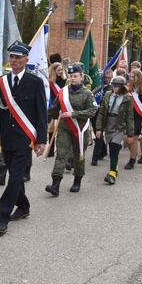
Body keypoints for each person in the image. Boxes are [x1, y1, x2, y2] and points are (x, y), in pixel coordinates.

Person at [0, 41, 46, 234]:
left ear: (26, 60)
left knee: (14, 177)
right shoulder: (1, 82)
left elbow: (40, 114)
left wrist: (42, 140)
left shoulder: (35, 83)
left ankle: (2, 218)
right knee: (16, 176)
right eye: (12, 57)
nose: (14, 61)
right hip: (7, 138)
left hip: (24, 139)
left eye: (18, 57)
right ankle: (24, 206)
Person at [45, 63, 97, 195]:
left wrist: (74, 114)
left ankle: (77, 181)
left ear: (81, 76)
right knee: (61, 155)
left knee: (78, 156)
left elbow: (92, 111)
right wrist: (42, 121)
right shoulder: (63, 92)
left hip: (80, 130)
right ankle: (55, 184)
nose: (73, 78)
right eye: (71, 76)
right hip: (64, 128)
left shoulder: (87, 94)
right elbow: (54, 109)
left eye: (75, 76)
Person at [95, 76, 134, 185]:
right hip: (108, 123)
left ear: (122, 87)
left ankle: (111, 174)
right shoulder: (108, 95)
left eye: (116, 86)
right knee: (111, 147)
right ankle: (114, 166)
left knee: (114, 147)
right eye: (113, 85)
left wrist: (130, 134)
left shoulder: (127, 97)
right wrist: (99, 128)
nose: (114, 88)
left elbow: (130, 116)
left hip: (119, 125)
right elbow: (102, 112)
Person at [129, 68, 142, 167]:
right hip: (129, 116)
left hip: (139, 116)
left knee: (138, 137)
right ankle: (134, 152)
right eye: (131, 76)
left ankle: (136, 157)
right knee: (126, 138)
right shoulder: (129, 88)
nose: (131, 78)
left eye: (134, 76)